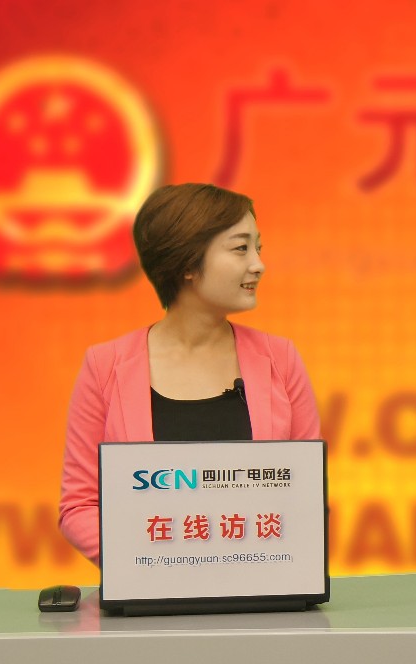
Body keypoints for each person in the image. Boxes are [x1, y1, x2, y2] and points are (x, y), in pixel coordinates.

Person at [59, 183, 320, 564]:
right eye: (240, 248)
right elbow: (79, 505)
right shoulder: (105, 366)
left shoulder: (280, 359)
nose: (258, 264)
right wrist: (150, 563)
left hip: (260, 588)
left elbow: (308, 497)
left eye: (258, 248)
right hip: (149, 588)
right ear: (186, 265)